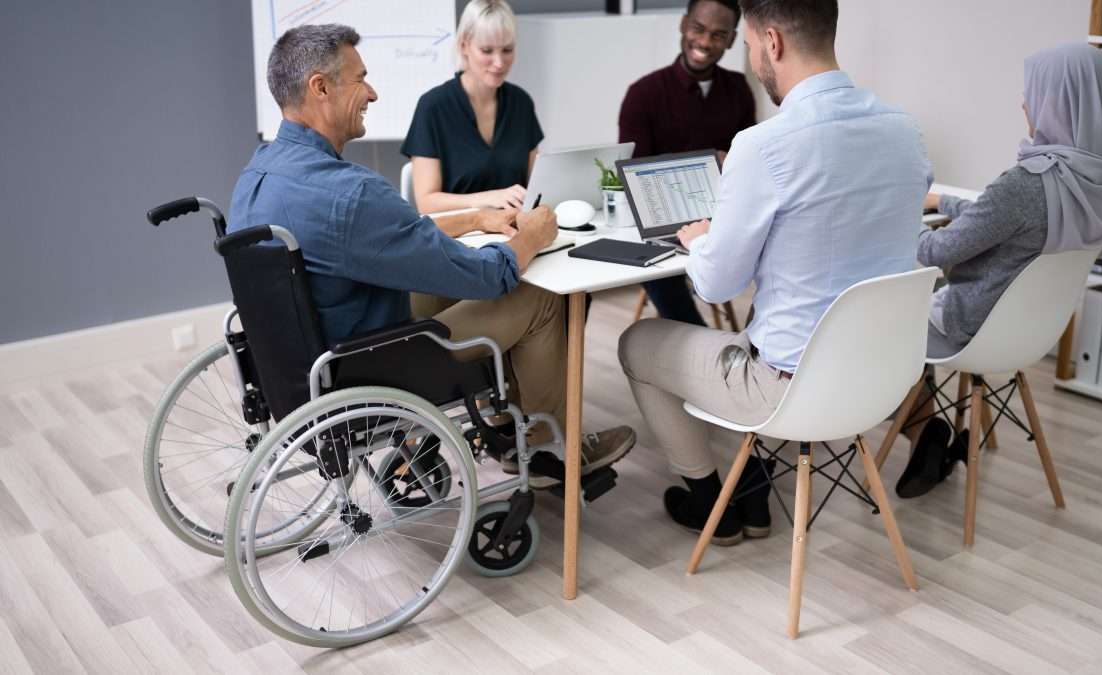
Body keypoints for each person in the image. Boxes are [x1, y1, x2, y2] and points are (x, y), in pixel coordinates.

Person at [230, 24, 635, 486]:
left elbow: (385, 237)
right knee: (539, 296)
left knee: (442, 283)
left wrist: (474, 218)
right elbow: (487, 277)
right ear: (320, 88)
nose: (373, 93)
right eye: (360, 78)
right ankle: (550, 450)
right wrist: (533, 236)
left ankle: (507, 423)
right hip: (370, 368)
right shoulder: (350, 193)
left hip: (305, 364)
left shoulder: (258, 173)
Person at [618, 0, 932, 545]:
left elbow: (716, 284)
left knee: (637, 341)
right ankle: (752, 484)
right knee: (770, 327)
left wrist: (701, 241)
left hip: (788, 388)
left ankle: (710, 499)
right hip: (881, 380)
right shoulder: (906, 131)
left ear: (772, 42)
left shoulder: (763, 147)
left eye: (746, 45)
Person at [896, 43, 1102, 498]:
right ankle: (928, 433)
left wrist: (889, 225)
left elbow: (937, 251)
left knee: (876, 321)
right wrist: (945, 201)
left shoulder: (1028, 184)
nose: (1025, 103)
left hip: (969, 327)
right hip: (1030, 333)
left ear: (1057, 101)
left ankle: (923, 430)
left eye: (1033, 93)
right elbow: (1000, 217)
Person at [618, 0, 756, 326]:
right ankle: (701, 341)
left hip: (724, 217)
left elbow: (752, 166)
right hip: (661, 225)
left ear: (733, 39)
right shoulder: (643, 94)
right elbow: (636, 176)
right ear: (683, 25)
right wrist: (716, 159)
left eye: (719, 35)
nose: (706, 43)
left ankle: (759, 348)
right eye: (698, 29)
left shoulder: (739, 90)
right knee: (655, 262)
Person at [402, 0, 541, 215]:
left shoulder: (521, 103)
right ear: (464, 46)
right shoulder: (433, 107)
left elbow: (538, 187)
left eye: (507, 50)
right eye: (487, 50)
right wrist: (489, 198)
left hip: (516, 232)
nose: (499, 62)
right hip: (459, 238)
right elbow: (427, 203)